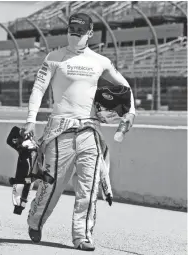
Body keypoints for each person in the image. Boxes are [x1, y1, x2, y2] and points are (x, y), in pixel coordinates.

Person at [21, 12, 136, 251]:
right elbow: (38, 88)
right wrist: (31, 120)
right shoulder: (54, 57)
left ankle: (82, 236)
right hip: (59, 131)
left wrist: (131, 112)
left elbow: (125, 87)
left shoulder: (101, 61)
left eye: (80, 31)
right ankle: (35, 220)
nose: (75, 34)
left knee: (89, 186)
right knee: (51, 185)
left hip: (89, 130)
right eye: (72, 30)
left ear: (90, 33)